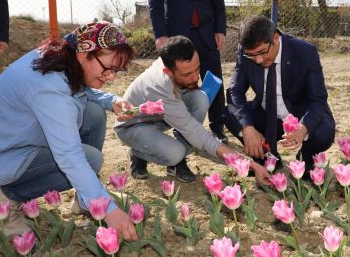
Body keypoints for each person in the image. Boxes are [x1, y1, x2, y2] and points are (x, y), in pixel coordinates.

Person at [0, 22, 138, 240]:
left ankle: (86, 199)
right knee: (89, 160)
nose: (111, 77)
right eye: (108, 68)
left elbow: (77, 86)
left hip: (14, 140)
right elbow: (69, 156)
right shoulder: (48, 86)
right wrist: (110, 211)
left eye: (116, 70)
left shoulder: (63, 56)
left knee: (93, 114)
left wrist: (111, 101)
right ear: (84, 54)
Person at [115, 36, 271, 185]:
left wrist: (241, 163)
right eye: (187, 74)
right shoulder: (159, 87)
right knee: (175, 153)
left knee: (200, 98)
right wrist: (249, 165)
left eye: (197, 69)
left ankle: (181, 150)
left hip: (159, 117)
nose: (195, 77)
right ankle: (138, 153)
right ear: (168, 72)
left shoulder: (174, 55)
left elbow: (198, 136)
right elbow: (200, 137)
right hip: (133, 126)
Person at [224, 15, 336, 177]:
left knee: (323, 132)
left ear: (275, 38)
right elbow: (235, 91)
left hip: (298, 116)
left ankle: (307, 156)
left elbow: (318, 100)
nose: (258, 60)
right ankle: (266, 156)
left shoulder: (305, 52)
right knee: (229, 114)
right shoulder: (245, 52)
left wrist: (303, 128)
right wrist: (248, 129)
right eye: (252, 55)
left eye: (262, 52)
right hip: (266, 115)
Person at [148, 0, 228, 144]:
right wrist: (161, 36)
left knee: (213, 79)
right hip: (176, 35)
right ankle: (181, 127)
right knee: (179, 83)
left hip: (207, 31)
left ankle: (217, 126)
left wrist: (220, 29)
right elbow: (154, 2)